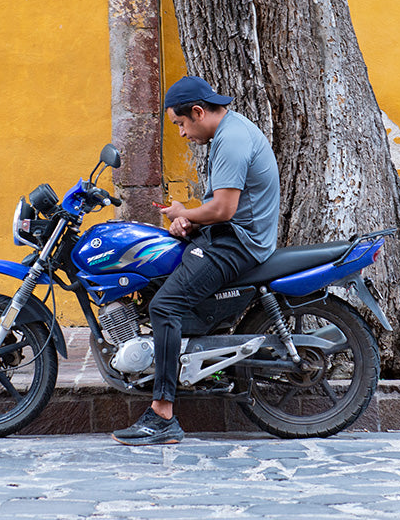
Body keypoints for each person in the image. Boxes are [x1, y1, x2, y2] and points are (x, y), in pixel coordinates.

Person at [111, 76, 281, 446]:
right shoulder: (230, 132)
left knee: (165, 305)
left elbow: (224, 208)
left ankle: (162, 415)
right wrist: (188, 216)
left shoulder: (232, 141)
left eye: (180, 124)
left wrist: (187, 213)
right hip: (228, 233)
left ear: (199, 112)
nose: (182, 133)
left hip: (238, 243)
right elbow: (218, 207)